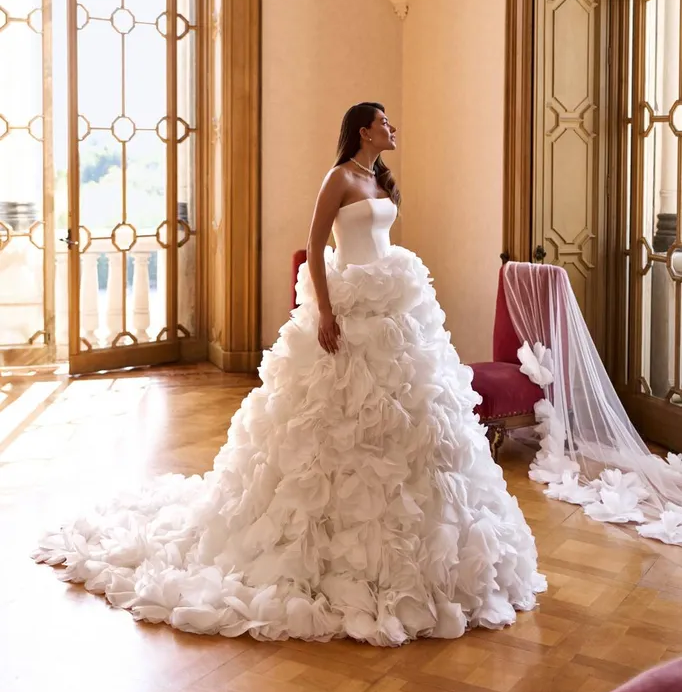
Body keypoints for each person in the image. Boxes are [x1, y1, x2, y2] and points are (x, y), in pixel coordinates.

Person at [33, 101, 546, 646]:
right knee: (331, 424)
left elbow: (378, 242)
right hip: (349, 310)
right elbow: (318, 245)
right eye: (385, 122)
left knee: (414, 424)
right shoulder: (339, 177)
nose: (394, 128)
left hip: (393, 311)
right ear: (362, 131)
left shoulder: (376, 178)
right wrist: (325, 313)